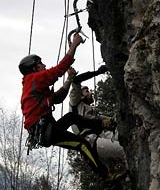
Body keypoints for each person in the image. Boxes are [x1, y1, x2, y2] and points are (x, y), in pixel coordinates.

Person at [18, 34, 126, 183]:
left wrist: (69, 79)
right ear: (35, 67)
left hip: (47, 128)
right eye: (41, 64)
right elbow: (58, 70)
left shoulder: (34, 86)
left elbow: (58, 98)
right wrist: (74, 45)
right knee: (82, 144)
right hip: (46, 130)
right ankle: (106, 176)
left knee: (71, 117)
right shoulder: (34, 79)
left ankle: (103, 124)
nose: (44, 65)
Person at [69, 66, 127, 166]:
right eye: (87, 91)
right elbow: (76, 81)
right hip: (90, 141)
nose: (90, 93)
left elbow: (108, 120)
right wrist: (97, 72)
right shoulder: (75, 103)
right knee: (124, 150)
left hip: (99, 136)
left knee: (126, 137)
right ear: (80, 95)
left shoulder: (91, 110)